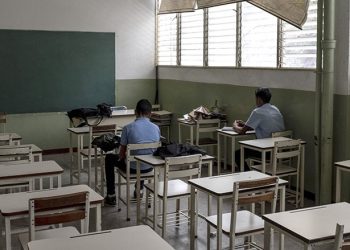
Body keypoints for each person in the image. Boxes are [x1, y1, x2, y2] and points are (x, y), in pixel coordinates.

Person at [104, 99, 160, 205]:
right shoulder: (156, 128)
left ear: (135, 112)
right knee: (143, 156)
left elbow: (121, 155)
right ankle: (139, 190)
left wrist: (123, 156)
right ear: (150, 113)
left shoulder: (127, 128)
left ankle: (111, 195)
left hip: (132, 168)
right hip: (150, 167)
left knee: (109, 158)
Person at [233, 87, 285, 170]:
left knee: (237, 154)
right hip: (281, 150)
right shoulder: (275, 109)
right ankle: (257, 176)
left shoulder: (257, 111)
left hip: (268, 151)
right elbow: (264, 125)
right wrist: (246, 124)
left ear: (259, 99)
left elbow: (242, 131)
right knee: (255, 151)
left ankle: (249, 177)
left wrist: (235, 125)